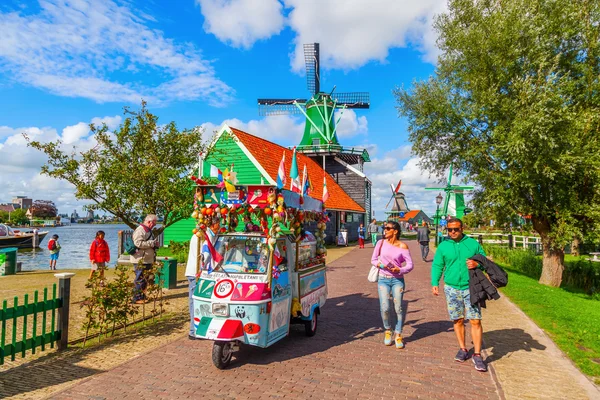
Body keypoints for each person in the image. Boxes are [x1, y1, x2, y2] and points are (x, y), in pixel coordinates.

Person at [431, 217, 488, 372]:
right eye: (450, 229)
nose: (453, 232)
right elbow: (438, 265)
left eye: (456, 229)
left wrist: (478, 264)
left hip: (471, 287)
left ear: (462, 228)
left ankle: (477, 354)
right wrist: (435, 283)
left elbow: (484, 260)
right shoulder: (443, 246)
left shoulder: (472, 244)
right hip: (451, 288)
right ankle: (463, 349)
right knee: (458, 319)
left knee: (475, 320)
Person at [371, 221, 414, 349]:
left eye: (388, 228)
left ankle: (398, 333)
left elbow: (410, 264)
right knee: (385, 307)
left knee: (398, 308)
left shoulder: (403, 246)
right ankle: (388, 330)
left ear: (395, 231)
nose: (385, 230)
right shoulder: (380, 243)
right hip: (383, 278)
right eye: (384, 228)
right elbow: (373, 260)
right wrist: (382, 265)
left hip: (397, 280)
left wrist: (399, 270)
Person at [185, 216, 220, 340]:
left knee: (197, 300)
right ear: (213, 224)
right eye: (218, 224)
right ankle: (194, 330)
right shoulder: (203, 237)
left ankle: (197, 329)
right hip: (197, 272)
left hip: (197, 271)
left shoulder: (205, 236)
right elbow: (204, 256)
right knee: (196, 301)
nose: (219, 227)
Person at [131, 214, 159, 304]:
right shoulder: (140, 230)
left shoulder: (147, 230)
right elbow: (137, 243)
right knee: (140, 278)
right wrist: (151, 243)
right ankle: (136, 298)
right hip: (140, 259)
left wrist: (154, 245)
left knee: (144, 278)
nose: (155, 225)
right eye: (154, 223)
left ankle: (142, 296)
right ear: (149, 221)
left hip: (146, 259)